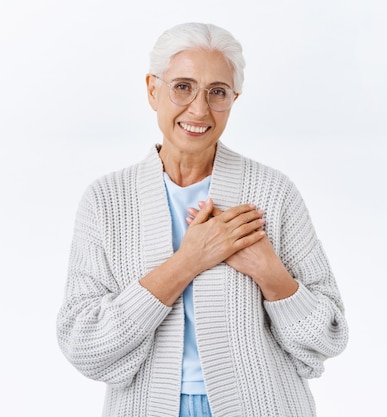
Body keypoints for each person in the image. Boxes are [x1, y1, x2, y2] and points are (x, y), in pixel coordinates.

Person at [56, 22, 349, 417]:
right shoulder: (106, 201)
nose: (199, 108)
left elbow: (329, 335)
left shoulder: (272, 194)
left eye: (217, 92)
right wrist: (189, 259)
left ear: (234, 99)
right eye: (182, 86)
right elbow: (83, 341)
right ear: (152, 89)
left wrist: (270, 272)